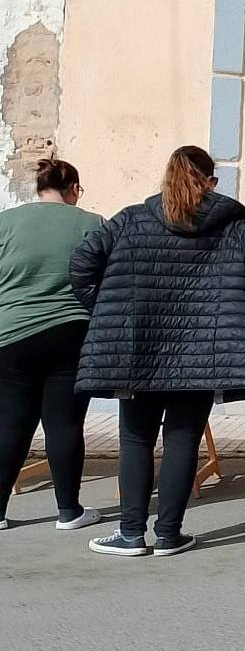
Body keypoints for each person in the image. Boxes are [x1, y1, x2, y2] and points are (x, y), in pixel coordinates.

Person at [70, 146, 245, 557]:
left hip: (138, 346)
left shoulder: (130, 220)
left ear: (165, 177)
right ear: (210, 182)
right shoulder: (235, 228)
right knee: (183, 439)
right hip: (203, 351)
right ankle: (169, 534)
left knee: (135, 438)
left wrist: (107, 307)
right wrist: (234, 297)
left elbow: (81, 263)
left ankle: (131, 533)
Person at [0, 159, 103, 532]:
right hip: (71, 332)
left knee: (11, 422)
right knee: (64, 423)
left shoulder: (6, 222)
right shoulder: (92, 224)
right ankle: (68, 511)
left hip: (11, 334)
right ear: (73, 188)